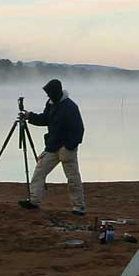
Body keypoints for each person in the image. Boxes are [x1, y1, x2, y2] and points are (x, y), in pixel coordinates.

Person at [19, 78, 85, 215]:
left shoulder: (70, 107)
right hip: (52, 146)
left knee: (73, 178)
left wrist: (69, 146)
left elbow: (79, 130)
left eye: (49, 93)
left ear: (56, 92)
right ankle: (34, 201)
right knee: (39, 172)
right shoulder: (51, 104)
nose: (48, 96)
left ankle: (79, 207)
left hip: (67, 149)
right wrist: (29, 116)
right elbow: (45, 119)